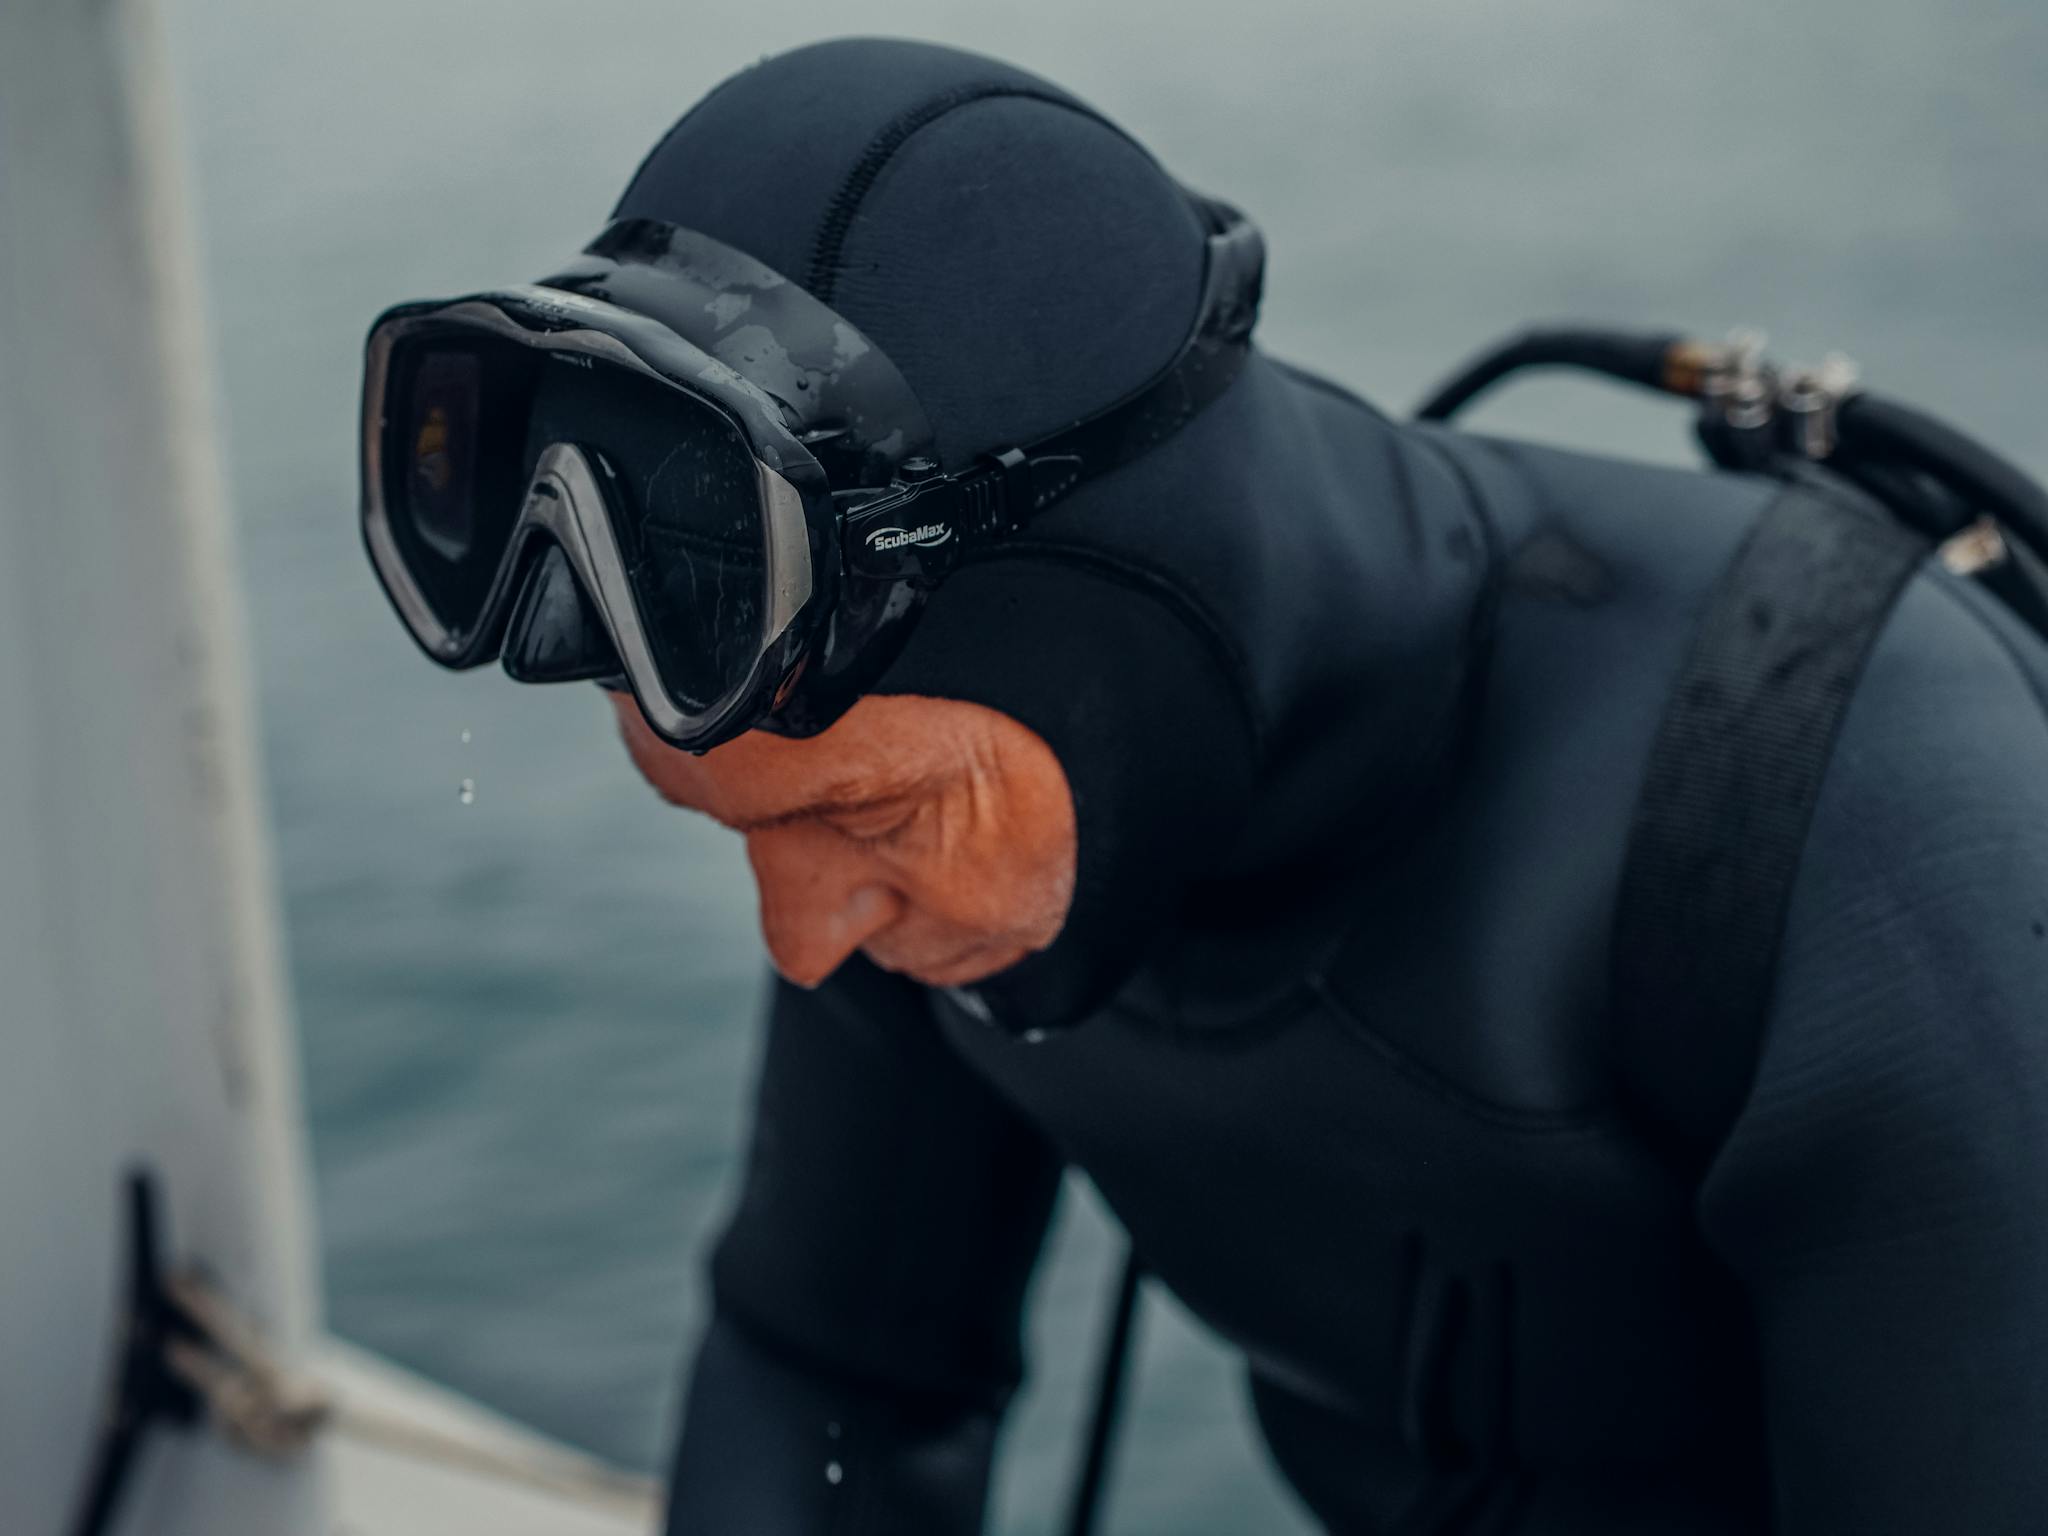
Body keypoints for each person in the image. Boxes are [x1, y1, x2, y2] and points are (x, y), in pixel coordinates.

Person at [358, 38, 2048, 1535]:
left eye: (856, 824)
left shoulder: (1849, 812)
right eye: (736, 830)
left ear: (1121, 680)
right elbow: (837, 1382)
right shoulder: (944, 847)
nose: (806, 938)